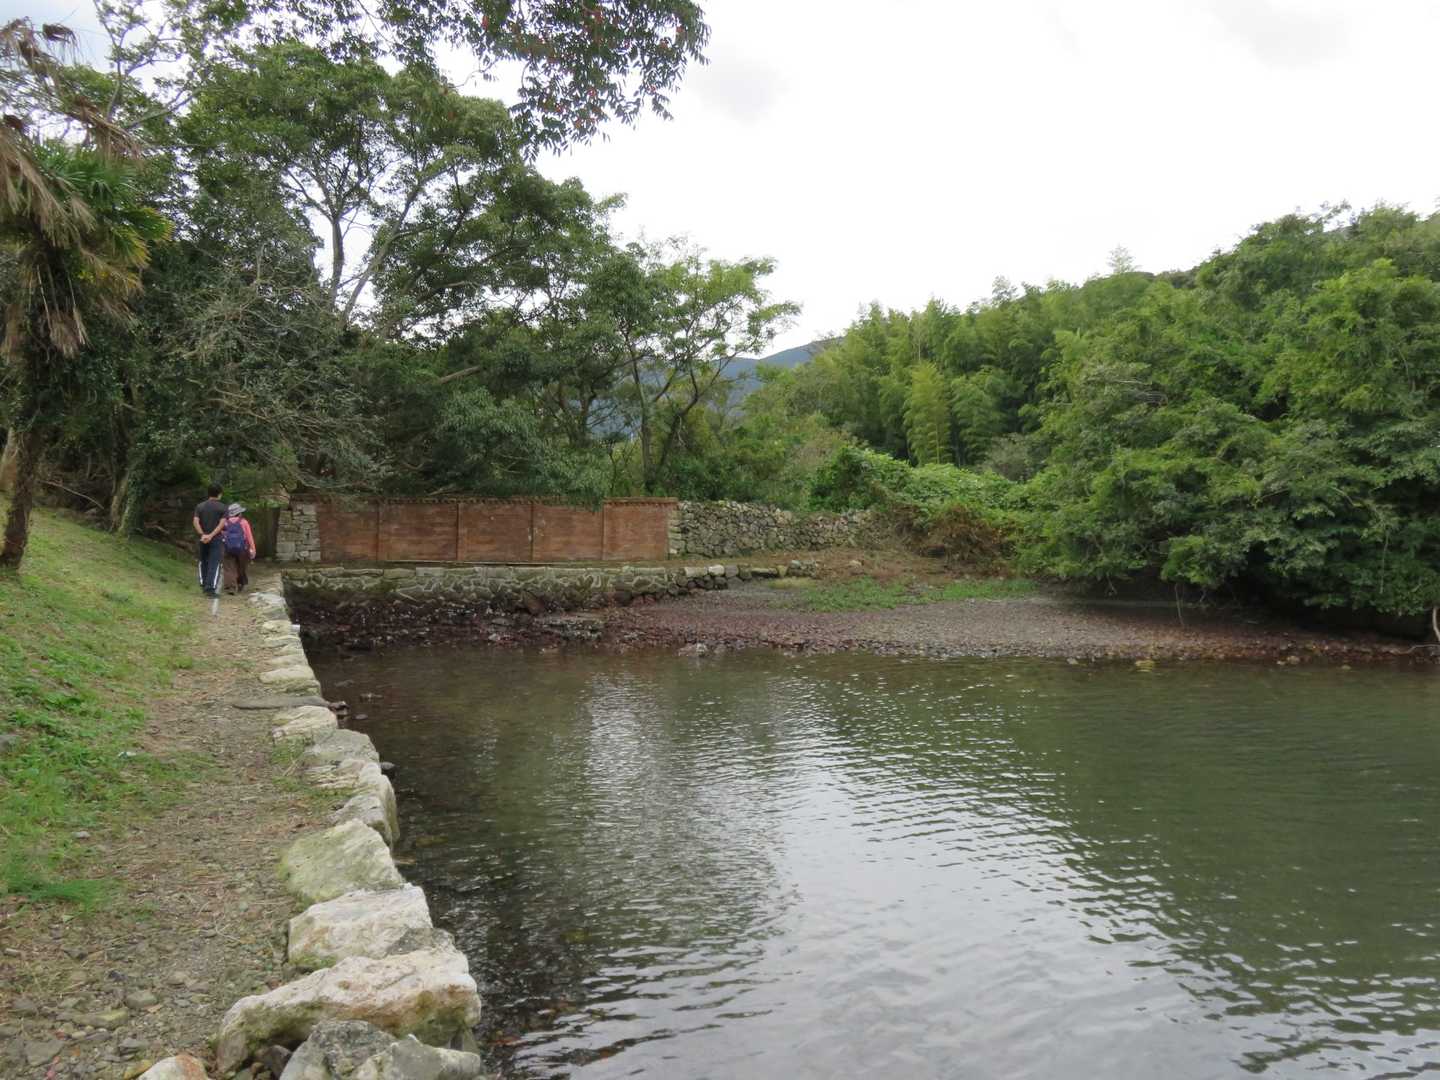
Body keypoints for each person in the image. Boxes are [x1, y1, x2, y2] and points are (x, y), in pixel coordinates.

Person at [192, 484, 227, 597]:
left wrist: (202, 534)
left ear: (208, 493)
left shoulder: (200, 506)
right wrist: (211, 535)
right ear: (220, 494)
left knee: (203, 561)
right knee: (214, 563)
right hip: (216, 539)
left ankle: (203, 584)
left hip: (202, 538)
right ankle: (210, 588)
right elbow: (221, 524)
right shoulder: (223, 507)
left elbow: (195, 521)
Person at [220, 503, 257, 594]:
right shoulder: (244, 522)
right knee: (241, 566)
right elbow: (249, 537)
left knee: (229, 567)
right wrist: (253, 549)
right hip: (242, 549)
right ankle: (240, 583)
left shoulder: (224, 522)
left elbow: (221, 535)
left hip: (228, 549)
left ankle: (230, 587)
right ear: (239, 513)